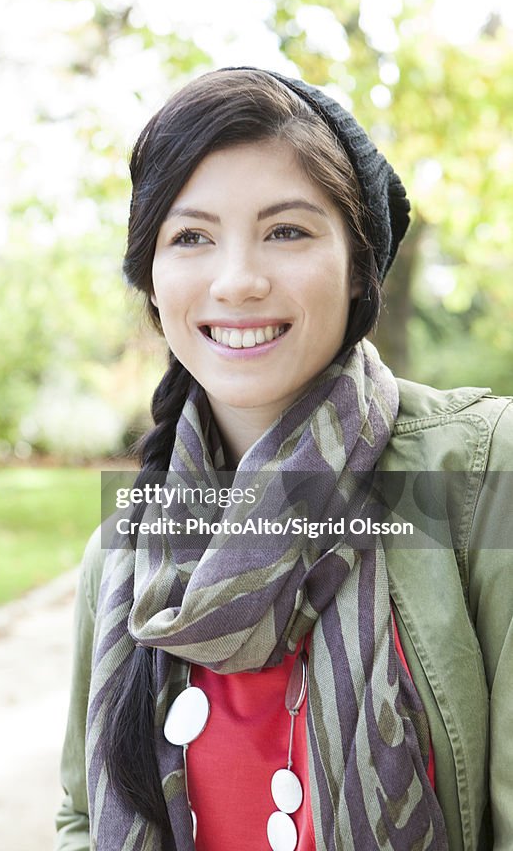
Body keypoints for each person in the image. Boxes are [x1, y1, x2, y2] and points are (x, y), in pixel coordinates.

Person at [55, 68, 513, 851]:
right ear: (153, 283)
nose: (238, 281)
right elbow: (79, 816)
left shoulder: (476, 473)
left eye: (288, 231)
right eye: (192, 236)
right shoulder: (124, 553)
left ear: (361, 264)